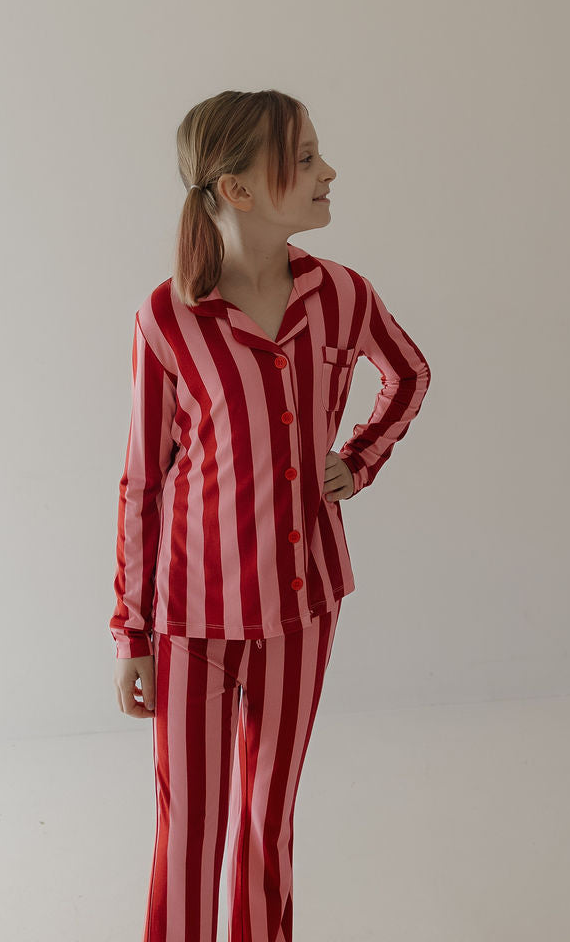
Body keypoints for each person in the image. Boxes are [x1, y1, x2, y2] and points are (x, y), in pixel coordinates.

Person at [110, 88, 432, 942]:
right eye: (304, 159)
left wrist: (356, 461)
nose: (328, 172)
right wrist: (132, 635)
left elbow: (409, 377)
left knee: (266, 822)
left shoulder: (343, 295)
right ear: (239, 190)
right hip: (189, 618)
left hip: (303, 608)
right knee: (191, 833)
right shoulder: (168, 316)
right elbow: (143, 482)